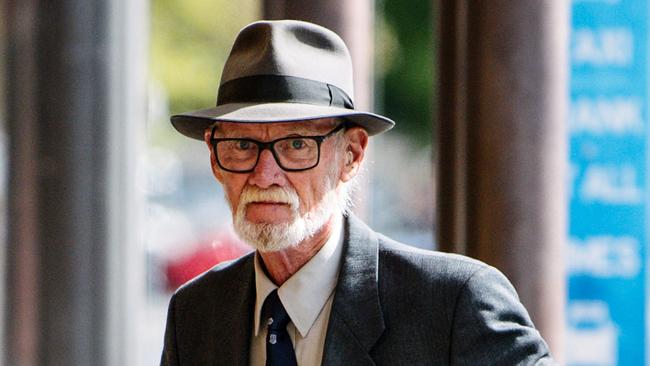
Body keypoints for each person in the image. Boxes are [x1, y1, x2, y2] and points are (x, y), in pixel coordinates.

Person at [160, 19, 554, 365]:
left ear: (351, 154)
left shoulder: (453, 304)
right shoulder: (197, 312)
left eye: (296, 145)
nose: (265, 175)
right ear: (214, 158)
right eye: (242, 146)